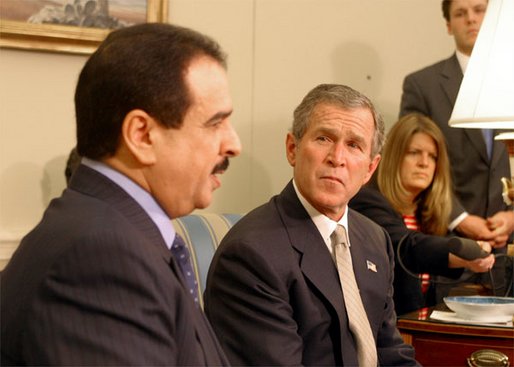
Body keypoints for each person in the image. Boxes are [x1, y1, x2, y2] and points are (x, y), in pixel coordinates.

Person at [1, 23, 241, 365]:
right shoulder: (101, 257)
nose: (234, 144)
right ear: (142, 135)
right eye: (215, 123)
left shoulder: (109, 228)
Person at [205, 84, 419, 366]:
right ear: (292, 149)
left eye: (354, 145)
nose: (337, 158)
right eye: (324, 138)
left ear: (370, 169)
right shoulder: (251, 254)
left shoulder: (374, 238)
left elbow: (391, 351)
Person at [399, 0, 511, 296]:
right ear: (449, 25)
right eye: (460, 13)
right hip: (449, 249)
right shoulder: (422, 85)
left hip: (508, 255)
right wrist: (461, 219)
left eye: (479, 10)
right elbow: (411, 164)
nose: (471, 19)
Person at [350, 113, 495, 316]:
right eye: (414, 153)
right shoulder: (367, 200)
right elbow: (407, 246)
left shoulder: (430, 214)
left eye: (432, 156)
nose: (424, 163)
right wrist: (462, 256)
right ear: (393, 157)